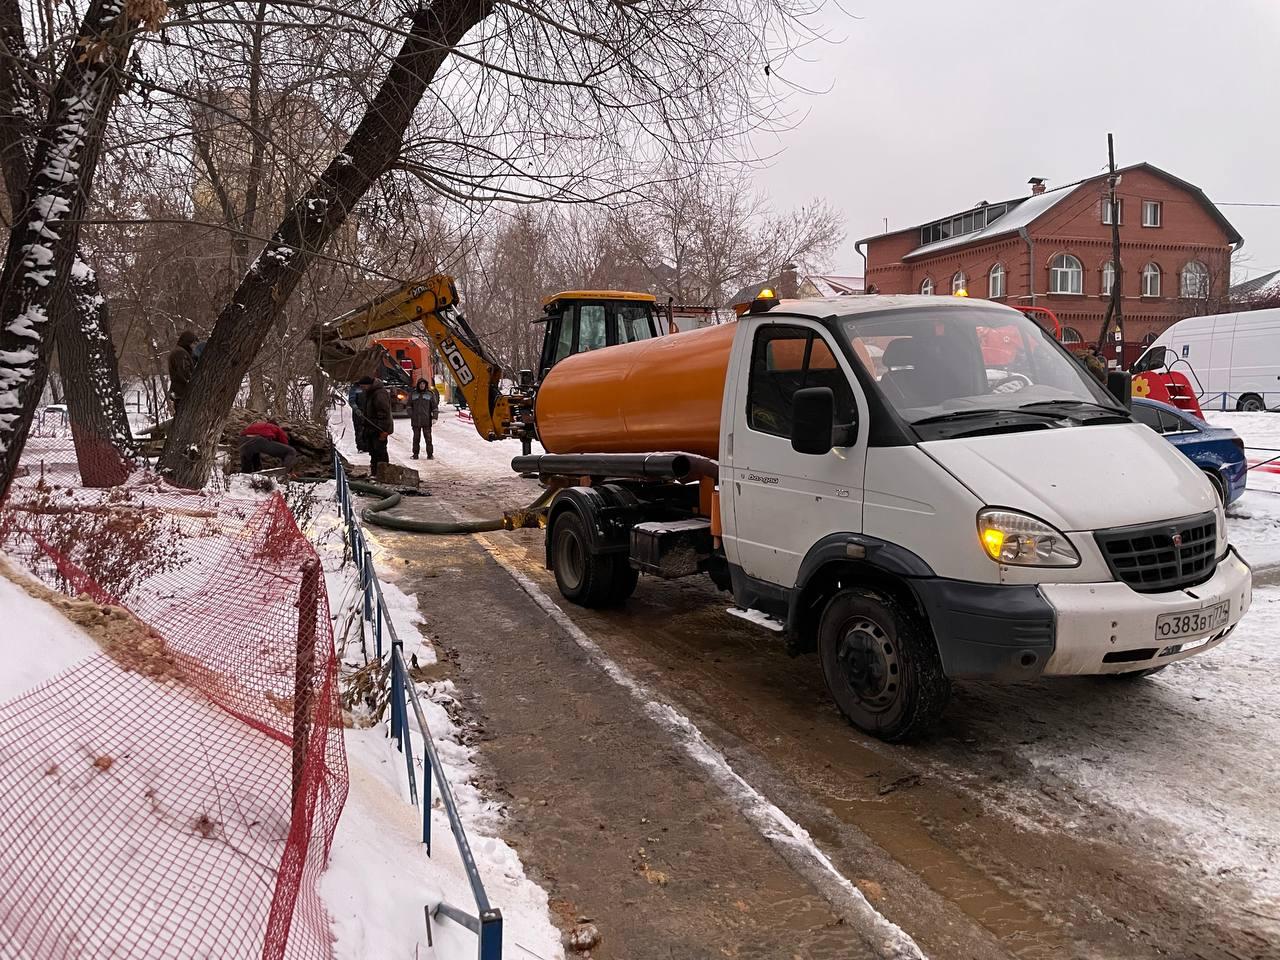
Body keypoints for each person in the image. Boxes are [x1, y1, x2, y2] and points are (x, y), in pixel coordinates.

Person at [360, 375, 393, 474]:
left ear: (368, 385)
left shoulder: (379, 394)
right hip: (371, 428)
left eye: (363, 386)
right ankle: (375, 472)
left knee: (380, 452)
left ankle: (383, 473)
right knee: (373, 452)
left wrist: (383, 430)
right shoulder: (370, 393)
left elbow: (384, 413)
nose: (362, 389)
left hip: (379, 429)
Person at [408, 378, 439, 460]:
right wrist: (411, 414)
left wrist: (435, 417)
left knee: (428, 439)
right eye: (420, 384)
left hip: (426, 421)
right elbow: (409, 406)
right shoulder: (413, 394)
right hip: (416, 421)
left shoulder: (430, 394)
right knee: (416, 439)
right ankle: (415, 454)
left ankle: (430, 454)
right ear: (418, 385)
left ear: (425, 385)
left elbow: (434, 407)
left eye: (423, 384)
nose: (422, 385)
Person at [167, 329, 198, 410]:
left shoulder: (182, 352)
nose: (194, 345)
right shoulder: (180, 353)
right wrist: (195, 384)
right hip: (182, 392)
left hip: (181, 392)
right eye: (193, 343)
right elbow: (185, 373)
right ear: (188, 342)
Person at [347, 380, 368, 452]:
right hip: (358, 413)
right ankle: (361, 447)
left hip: (368, 412)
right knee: (359, 430)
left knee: (368, 430)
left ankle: (368, 446)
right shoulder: (355, 389)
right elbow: (351, 401)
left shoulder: (367, 388)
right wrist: (356, 409)